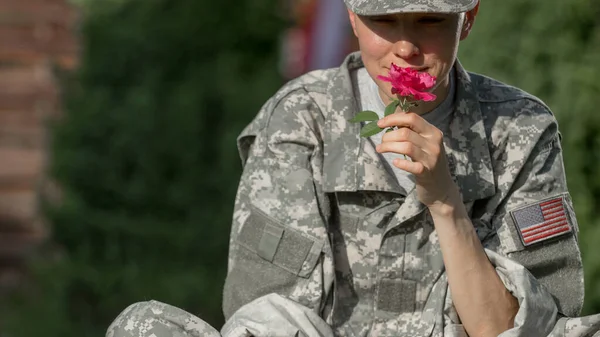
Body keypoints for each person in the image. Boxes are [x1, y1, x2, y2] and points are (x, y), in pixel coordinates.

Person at [106, 0, 600, 336]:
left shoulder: (519, 128)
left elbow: (511, 329)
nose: (406, 47)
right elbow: (271, 320)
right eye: (384, 21)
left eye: (429, 20)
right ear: (352, 17)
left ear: (466, 19)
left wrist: (445, 199)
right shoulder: (302, 120)